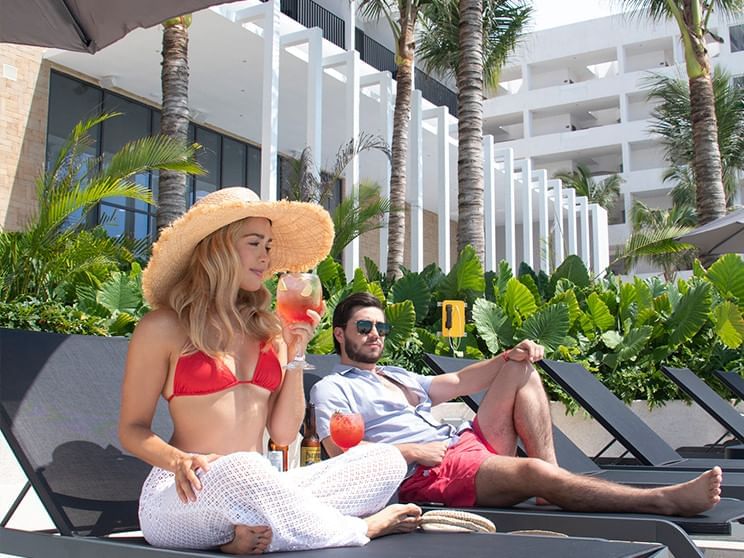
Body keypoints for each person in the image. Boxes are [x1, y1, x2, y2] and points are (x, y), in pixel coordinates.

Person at [119, 188, 420, 555]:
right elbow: (131, 430)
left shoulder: (269, 331)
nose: (266, 256)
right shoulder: (163, 327)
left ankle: (244, 537)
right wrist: (178, 460)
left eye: (269, 245)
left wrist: (296, 354)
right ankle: (357, 529)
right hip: (184, 494)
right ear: (219, 247)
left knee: (385, 460)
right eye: (255, 243)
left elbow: (281, 432)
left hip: (261, 486)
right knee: (243, 468)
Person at [310, 291, 723, 517]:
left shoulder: (397, 375)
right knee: (530, 470)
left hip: (461, 447)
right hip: (429, 471)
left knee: (522, 370)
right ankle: (661, 501)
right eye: (364, 327)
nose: (375, 334)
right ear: (340, 334)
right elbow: (336, 453)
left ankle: (549, 483)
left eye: (380, 327)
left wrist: (512, 353)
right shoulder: (333, 388)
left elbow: (458, 381)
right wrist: (412, 451)